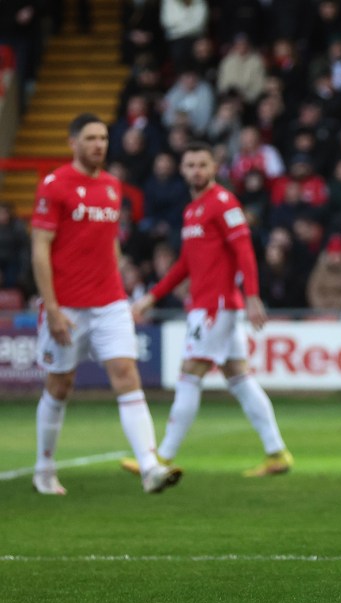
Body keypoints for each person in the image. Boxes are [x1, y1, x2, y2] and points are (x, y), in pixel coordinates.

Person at [119, 142, 293, 478]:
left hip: (216, 308)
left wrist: (253, 295)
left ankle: (162, 457)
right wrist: (151, 297)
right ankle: (277, 453)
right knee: (240, 379)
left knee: (189, 375)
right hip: (209, 307)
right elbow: (185, 263)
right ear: (182, 170)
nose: (196, 171)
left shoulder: (224, 203)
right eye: (190, 165)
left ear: (213, 168)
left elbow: (244, 250)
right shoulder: (192, 210)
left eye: (202, 164)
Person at [30, 113, 182, 495]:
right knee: (60, 384)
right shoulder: (54, 185)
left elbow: (108, 241)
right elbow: (40, 249)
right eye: (91, 138)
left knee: (126, 374)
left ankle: (149, 466)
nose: (99, 144)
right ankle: (44, 466)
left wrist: (121, 278)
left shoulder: (114, 187)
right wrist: (52, 308)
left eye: (102, 138)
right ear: (73, 143)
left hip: (110, 301)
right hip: (67, 305)